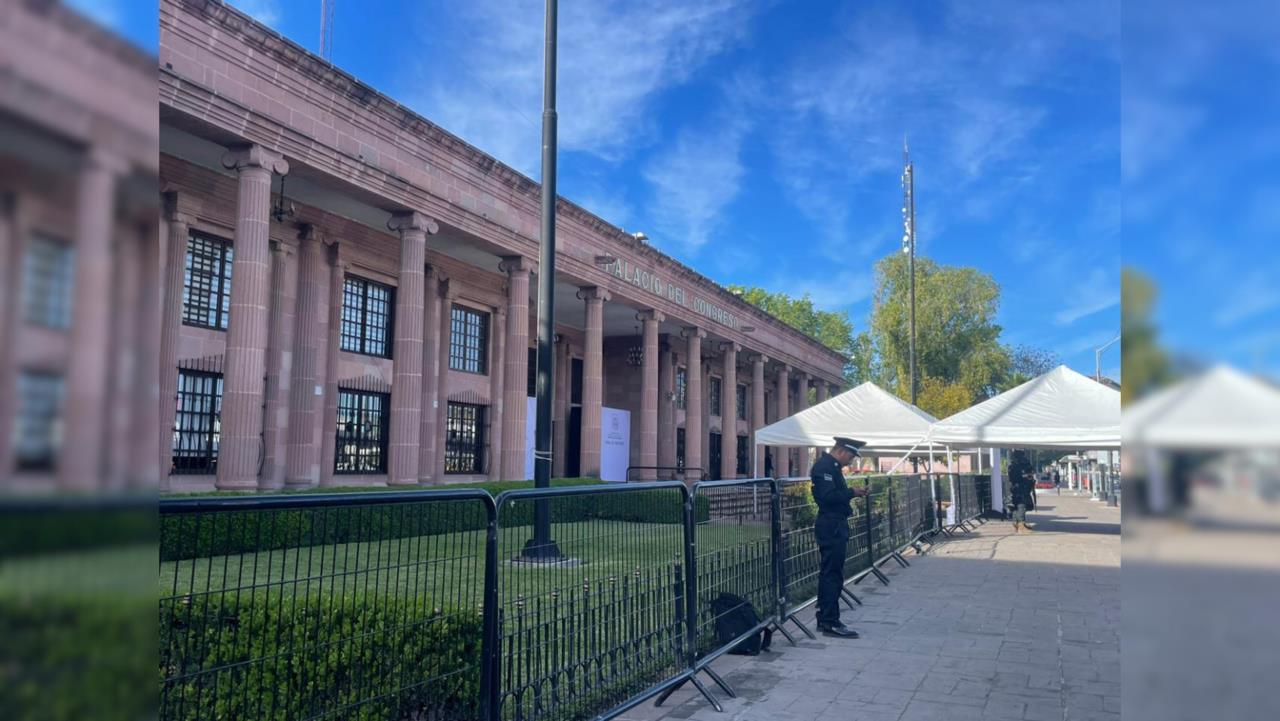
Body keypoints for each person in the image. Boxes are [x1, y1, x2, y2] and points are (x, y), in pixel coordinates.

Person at [809, 436, 869, 638]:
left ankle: (826, 618)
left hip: (835, 523)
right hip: (831, 524)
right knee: (831, 574)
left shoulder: (832, 467)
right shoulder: (824, 468)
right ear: (842, 451)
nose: (851, 461)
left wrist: (852, 492)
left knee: (832, 572)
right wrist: (851, 492)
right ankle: (829, 621)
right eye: (851, 456)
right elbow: (827, 498)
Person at [1008, 450, 1036, 532]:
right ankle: (1021, 525)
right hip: (1022, 487)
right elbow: (1028, 473)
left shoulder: (1012, 465)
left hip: (1016, 487)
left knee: (1016, 506)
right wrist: (1028, 476)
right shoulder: (1021, 464)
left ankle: (1016, 522)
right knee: (1021, 506)